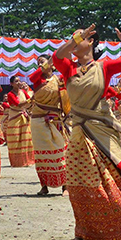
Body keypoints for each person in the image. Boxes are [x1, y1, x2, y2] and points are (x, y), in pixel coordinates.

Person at [53, 18, 121, 240]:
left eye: (79, 37)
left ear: (90, 43)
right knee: (80, 182)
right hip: (79, 132)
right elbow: (57, 57)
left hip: (100, 130)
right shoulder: (68, 68)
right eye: (73, 38)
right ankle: (87, 230)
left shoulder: (104, 66)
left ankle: (119, 231)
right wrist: (76, 39)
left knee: (109, 179)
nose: (73, 41)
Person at [29, 54, 69, 196]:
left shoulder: (58, 80)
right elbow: (32, 77)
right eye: (38, 62)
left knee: (60, 151)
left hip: (55, 119)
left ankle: (65, 186)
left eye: (43, 61)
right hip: (38, 121)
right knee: (41, 154)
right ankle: (44, 185)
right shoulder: (37, 79)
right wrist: (47, 63)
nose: (40, 64)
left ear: (52, 65)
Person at [6, 76, 35, 167]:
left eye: (19, 81)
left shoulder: (22, 92)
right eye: (16, 81)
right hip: (15, 117)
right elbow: (18, 104)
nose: (18, 83)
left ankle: (27, 160)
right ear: (11, 84)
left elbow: (29, 102)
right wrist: (31, 98)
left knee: (26, 138)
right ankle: (17, 162)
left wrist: (32, 100)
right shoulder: (10, 94)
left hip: (23, 117)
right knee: (15, 138)